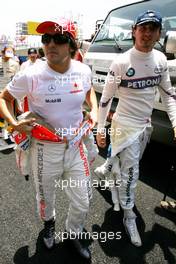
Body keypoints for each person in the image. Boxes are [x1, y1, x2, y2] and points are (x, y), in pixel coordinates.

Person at [0, 18, 98, 259]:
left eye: (59, 38)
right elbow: (4, 98)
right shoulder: (31, 74)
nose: (51, 44)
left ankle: (74, 232)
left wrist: (94, 110)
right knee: (45, 196)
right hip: (44, 149)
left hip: (75, 147)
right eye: (46, 39)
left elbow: (89, 91)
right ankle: (49, 225)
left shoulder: (83, 70)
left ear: (72, 45)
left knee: (83, 200)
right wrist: (13, 124)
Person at [95, 10, 176, 247]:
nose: (147, 33)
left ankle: (107, 168)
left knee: (126, 165)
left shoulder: (160, 60)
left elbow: (168, 95)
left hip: (145, 127)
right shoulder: (120, 62)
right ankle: (129, 215)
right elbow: (105, 99)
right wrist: (101, 129)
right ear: (134, 31)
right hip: (122, 125)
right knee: (132, 175)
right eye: (143, 28)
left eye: (153, 29)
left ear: (160, 33)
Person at [0, 46, 20, 152]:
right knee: (0, 118)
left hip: (10, 94)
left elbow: (17, 80)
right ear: (2, 53)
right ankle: (2, 136)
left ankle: (10, 135)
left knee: (11, 116)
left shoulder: (15, 64)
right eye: (5, 53)